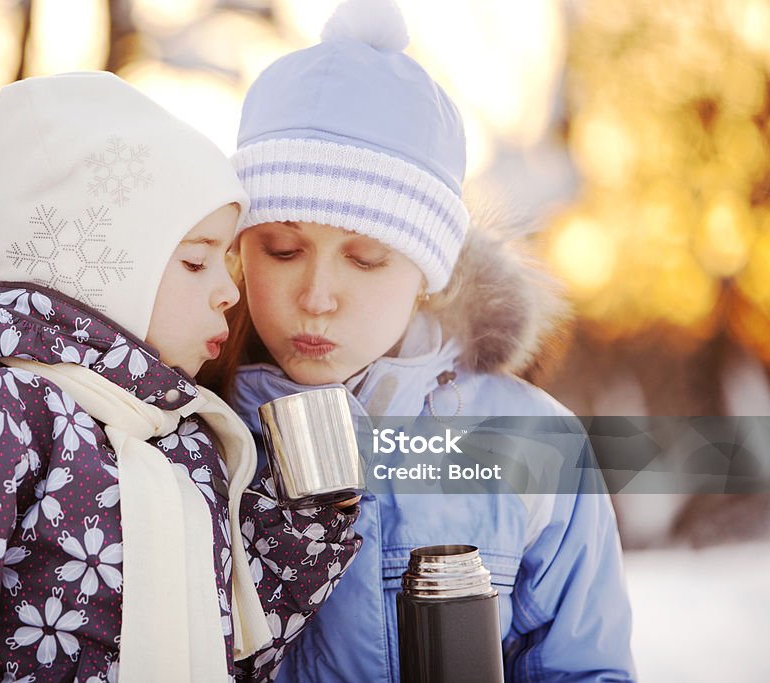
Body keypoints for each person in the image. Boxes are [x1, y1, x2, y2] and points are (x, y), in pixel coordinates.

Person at [0, 72, 360, 683]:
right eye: (194, 258)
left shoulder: (171, 435)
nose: (228, 291)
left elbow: (223, 646)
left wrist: (308, 527)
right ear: (104, 267)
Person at [202, 0, 637, 680]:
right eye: (282, 249)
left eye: (366, 259)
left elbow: (584, 667)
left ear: (427, 275)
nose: (317, 295)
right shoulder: (192, 428)